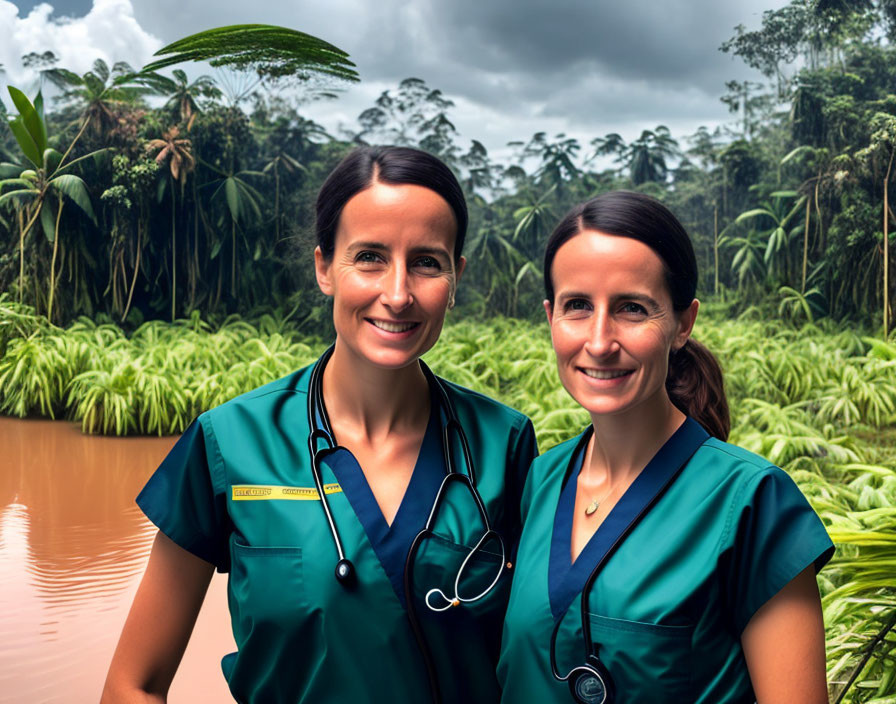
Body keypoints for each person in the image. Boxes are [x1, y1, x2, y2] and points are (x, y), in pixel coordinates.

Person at [102, 146, 537, 704]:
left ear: (456, 277)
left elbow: (540, 660)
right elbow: (131, 685)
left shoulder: (506, 443)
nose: (398, 293)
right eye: (370, 257)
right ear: (325, 268)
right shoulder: (230, 442)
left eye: (427, 261)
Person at [497, 191, 833, 704]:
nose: (601, 340)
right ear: (550, 318)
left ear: (682, 323)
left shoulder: (751, 503)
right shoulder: (540, 481)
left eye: (633, 308)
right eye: (578, 306)